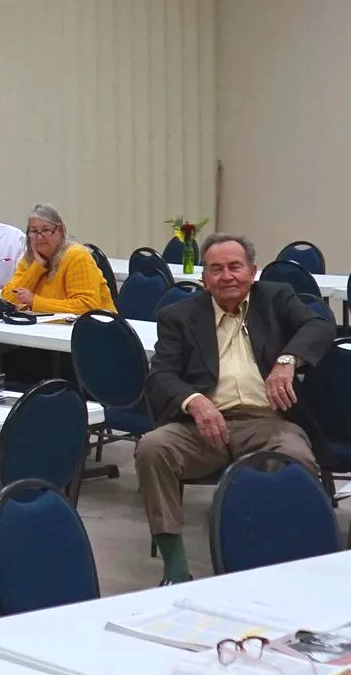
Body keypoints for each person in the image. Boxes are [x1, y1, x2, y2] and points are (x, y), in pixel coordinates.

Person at [135, 233, 334, 585]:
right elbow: (160, 374)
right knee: (152, 447)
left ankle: (292, 561)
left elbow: (319, 325)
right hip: (203, 426)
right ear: (204, 279)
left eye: (235, 267)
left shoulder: (275, 298)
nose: (227, 276)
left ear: (253, 271)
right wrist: (194, 402)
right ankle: (176, 568)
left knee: (295, 457)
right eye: (216, 269)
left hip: (267, 421)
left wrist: (288, 360)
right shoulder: (178, 316)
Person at [0, 205, 115, 315]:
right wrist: (36, 268)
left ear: (60, 231)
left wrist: (35, 301)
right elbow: (8, 300)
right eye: (34, 231)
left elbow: (87, 306)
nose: (39, 237)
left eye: (46, 230)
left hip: (97, 329)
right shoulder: (29, 260)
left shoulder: (77, 256)